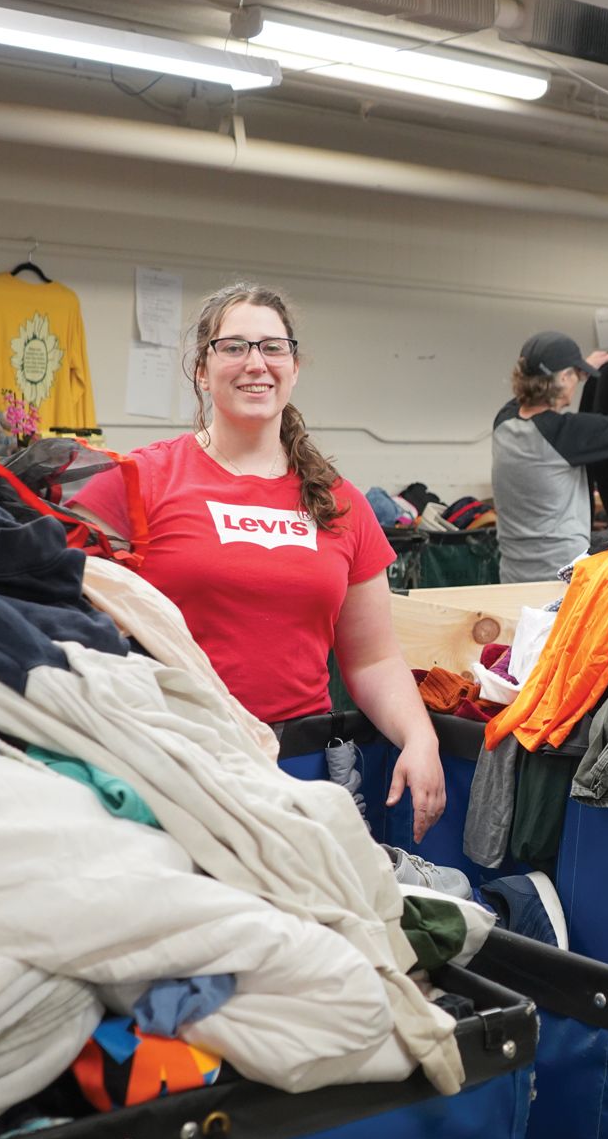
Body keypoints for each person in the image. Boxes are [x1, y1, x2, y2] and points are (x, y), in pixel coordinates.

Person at [72, 281, 445, 841]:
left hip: (299, 770)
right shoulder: (139, 480)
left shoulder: (341, 503)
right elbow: (60, 607)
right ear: (202, 367)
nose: (256, 363)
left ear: (294, 367)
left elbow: (371, 660)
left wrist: (421, 737)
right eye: (235, 347)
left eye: (273, 347)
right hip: (173, 761)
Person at [490, 330, 608, 583]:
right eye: (574, 374)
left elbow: (531, 393)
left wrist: (582, 366)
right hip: (559, 579)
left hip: (512, 576)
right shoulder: (566, 434)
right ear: (564, 377)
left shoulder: (504, 421)